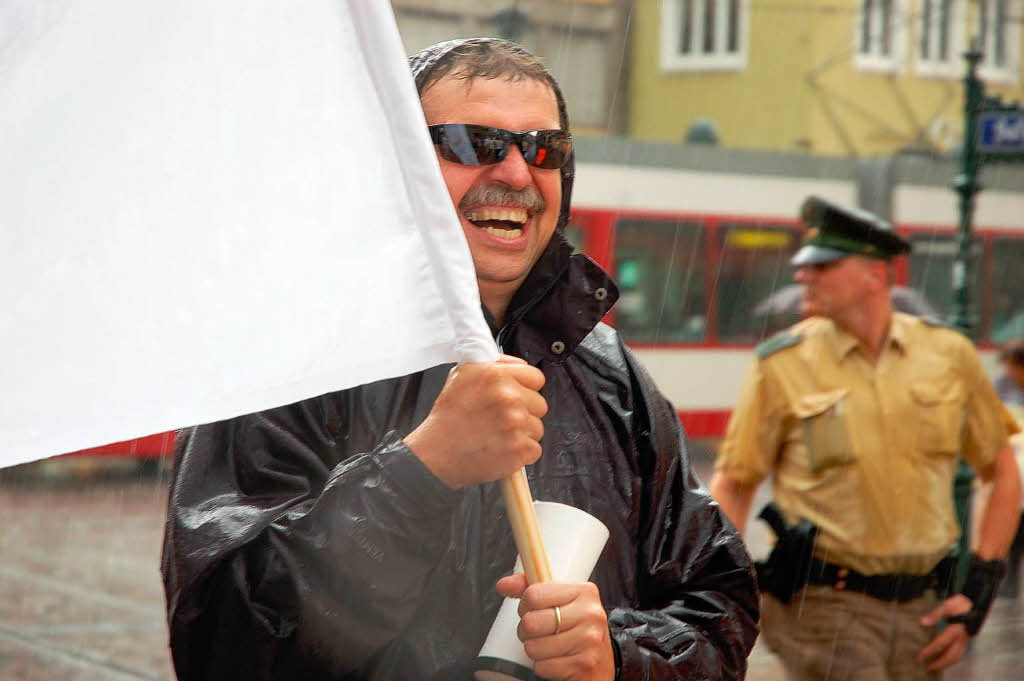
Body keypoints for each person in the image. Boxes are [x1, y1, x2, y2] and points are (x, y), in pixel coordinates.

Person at [161, 38, 758, 681]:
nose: (517, 175)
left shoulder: (610, 373)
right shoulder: (290, 359)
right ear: (398, 166)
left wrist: (620, 657)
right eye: (474, 144)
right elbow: (224, 639)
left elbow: (719, 601)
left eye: (544, 150)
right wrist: (423, 471)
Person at [708, 197, 1021, 681]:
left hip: (923, 608)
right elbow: (736, 480)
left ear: (875, 277)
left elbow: (1002, 471)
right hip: (825, 606)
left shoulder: (949, 355)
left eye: (823, 267)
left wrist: (977, 595)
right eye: (804, 267)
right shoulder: (782, 364)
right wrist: (721, 588)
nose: (803, 277)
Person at [995, 340, 1024, 597]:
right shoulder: (1002, 386)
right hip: (1014, 468)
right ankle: (1009, 578)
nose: (1008, 372)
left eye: (1012, 366)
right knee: (1012, 526)